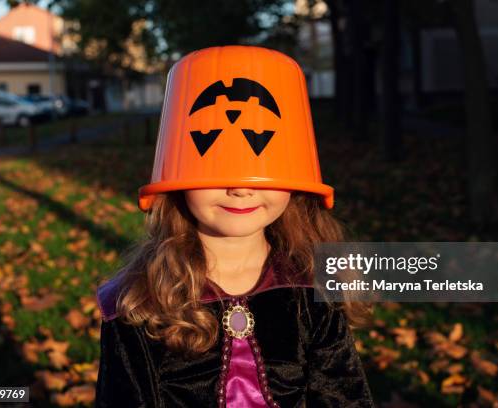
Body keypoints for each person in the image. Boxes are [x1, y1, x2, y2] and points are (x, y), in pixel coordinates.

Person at [95, 45, 374, 408]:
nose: (241, 188)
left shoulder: (314, 287)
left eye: (259, 145)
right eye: (215, 161)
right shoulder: (139, 303)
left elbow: (346, 399)